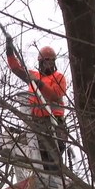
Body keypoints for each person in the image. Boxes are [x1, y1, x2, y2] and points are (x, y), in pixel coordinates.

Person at [5, 36, 67, 172]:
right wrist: (9, 51)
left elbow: (55, 95)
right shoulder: (33, 75)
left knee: (54, 153)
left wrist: (39, 84)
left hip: (54, 121)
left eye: (50, 62)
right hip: (37, 121)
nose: (48, 64)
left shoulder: (58, 78)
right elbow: (16, 68)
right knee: (41, 155)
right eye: (45, 61)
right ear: (40, 62)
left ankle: (55, 177)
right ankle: (47, 177)